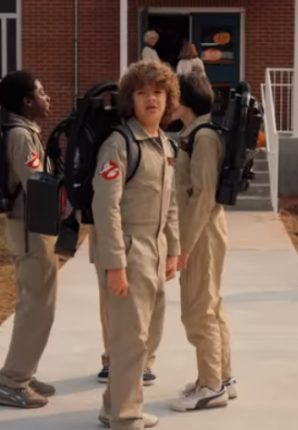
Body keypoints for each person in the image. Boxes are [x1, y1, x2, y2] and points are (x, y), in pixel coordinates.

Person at [91, 60, 180, 430]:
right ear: (131, 100)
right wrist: (115, 263)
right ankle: (126, 418)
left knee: (144, 336)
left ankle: (113, 406)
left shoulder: (164, 143)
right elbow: (105, 205)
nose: (151, 99)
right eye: (142, 93)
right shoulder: (119, 144)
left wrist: (173, 249)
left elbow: (171, 201)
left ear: (168, 98)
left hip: (155, 246)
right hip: (128, 247)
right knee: (130, 339)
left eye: (158, 92)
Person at [0, 70, 61, 409]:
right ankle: (11, 382)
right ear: (27, 101)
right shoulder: (20, 135)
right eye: (42, 92)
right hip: (31, 230)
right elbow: (37, 183)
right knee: (37, 309)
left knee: (35, 305)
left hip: (30, 227)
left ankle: (24, 373)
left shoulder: (23, 130)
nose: (48, 98)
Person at [170, 72, 236, 412]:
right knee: (211, 303)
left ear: (185, 98)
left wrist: (184, 246)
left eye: (170, 94)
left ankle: (211, 386)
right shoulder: (194, 132)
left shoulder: (204, 136)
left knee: (198, 308)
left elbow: (203, 195)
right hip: (205, 231)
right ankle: (220, 377)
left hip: (201, 233)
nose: (165, 101)